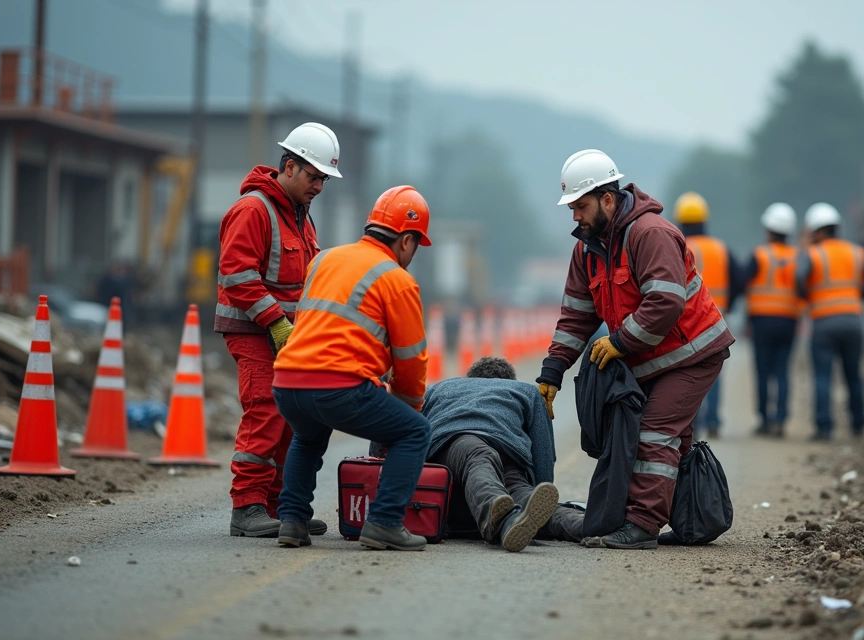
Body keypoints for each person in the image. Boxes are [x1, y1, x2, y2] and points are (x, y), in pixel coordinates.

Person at [537, 149, 735, 550]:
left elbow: (666, 301)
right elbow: (576, 316)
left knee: (654, 436)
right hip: (653, 359)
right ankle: (691, 520)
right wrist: (552, 372)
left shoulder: (650, 233)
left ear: (607, 199)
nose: (575, 216)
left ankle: (641, 527)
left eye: (580, 206)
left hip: (691, 353)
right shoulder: (588, 250)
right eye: (571, 207)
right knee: (671, 441)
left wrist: (620, 341)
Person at [271, 185, 434, 551]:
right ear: (406, 240)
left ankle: (292, 522)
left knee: (308, 436)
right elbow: (410, 357)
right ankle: (384, 523)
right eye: (415, 246)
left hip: (287, 382)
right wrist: (408, 405)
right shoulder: (397, 280)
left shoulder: (324, 259)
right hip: (338, 387)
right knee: (414, 432)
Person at [215, 122, 339, 538]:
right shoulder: (254, 210)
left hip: (287, 336)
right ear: (289, 166)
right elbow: (236, 276)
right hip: (254, 333)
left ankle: (278, 508)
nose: (319, 185)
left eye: (324, 178)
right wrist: (277, 324)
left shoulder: (301, 217)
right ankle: (247, 507)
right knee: (265, 410)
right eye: (313, 176)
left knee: (291, 418)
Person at [421, 357, 584, 551]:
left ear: (470, 378)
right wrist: (541, 485)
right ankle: (592, 526)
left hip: (458, 465)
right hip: (485, 452)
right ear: (509, 380)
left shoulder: (438, 388)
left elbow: (407, 430)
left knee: (528, 501)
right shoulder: (527, 391)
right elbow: (544, 453)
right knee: (512, 484)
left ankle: (512, 520)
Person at [796, 202, 864, 441]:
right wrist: (860, 295)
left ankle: (824, 427)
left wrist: (809, 297)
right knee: (853, 375)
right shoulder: (856, 251)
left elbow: (799, 278)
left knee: (823, 377)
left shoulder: (813, 253)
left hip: (824, 322)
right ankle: (858, 424)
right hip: (853, 322)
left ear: (817, 231)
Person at [673, 191, 738, 439]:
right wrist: (730, 303)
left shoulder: (676, 245)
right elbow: (738, 278)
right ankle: (714, 421)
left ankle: (693, 421)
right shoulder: (721, 249)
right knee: (714, 369)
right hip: (717, 316)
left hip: (685, 318)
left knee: (689, 370)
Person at [741, 203, 803, 437]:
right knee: (782, 371)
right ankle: (781, 419)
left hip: (762, 320)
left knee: (763, 372)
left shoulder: (759, 255)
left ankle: (765, 420)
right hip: (789, 320)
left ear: (768, 229)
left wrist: (746, 319)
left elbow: (743, 283)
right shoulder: (798, 256)